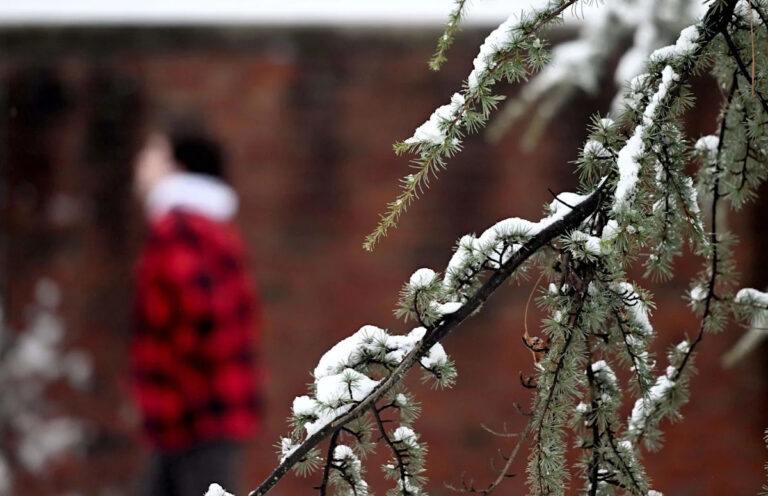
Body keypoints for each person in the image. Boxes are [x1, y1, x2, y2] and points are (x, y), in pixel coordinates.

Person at [131, 119, 262, 496]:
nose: (140, 162)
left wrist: (172, 401)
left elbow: (204, 319)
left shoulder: (181, 228)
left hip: (194, 417)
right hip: (195, 416)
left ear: (175, 166)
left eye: (151, 152)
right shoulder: (201, 225)